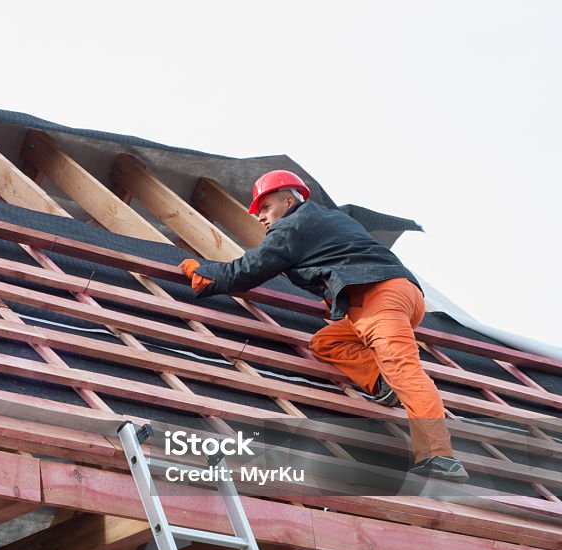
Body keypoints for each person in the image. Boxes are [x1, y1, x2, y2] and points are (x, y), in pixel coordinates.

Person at [180, 170, 466, 482]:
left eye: (265, 207)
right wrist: (335, 296)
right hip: (400, 296)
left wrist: (206, 274)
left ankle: (439, 456)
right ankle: (382, 381)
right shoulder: (331, 219)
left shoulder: (291, 226)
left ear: (288, 200)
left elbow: (249, 270)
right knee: (327, 342)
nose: (261, 217)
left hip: (378, 297)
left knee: (405, 369)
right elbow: (344, 255)